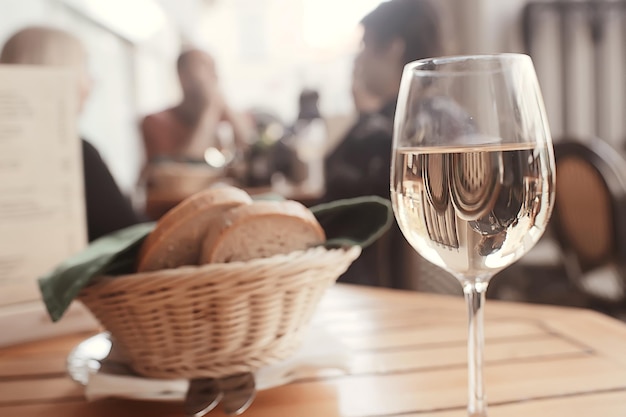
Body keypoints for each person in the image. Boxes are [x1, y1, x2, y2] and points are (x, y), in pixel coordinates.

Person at [323, 0, 444, 287]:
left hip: (370, 298)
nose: (359, 59)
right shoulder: (453, 120)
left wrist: (365, 121)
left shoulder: (376, 134)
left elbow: (332, 222)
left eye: (365, 45)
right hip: (442, 291)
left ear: (393, 48)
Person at [0, 26, 141, 242]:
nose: (92, 83)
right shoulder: (75, 154)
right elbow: (130, 236)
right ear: (60, 73)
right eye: (84, 68)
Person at [140, 49, 250, 163]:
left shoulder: (229, 116)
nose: (214, 75)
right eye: (204, 66)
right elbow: (184, 168)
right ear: (182, 76)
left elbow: (251, 146)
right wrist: (210, 110)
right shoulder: (156, 122)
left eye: (214, 67)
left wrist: (224, 105)